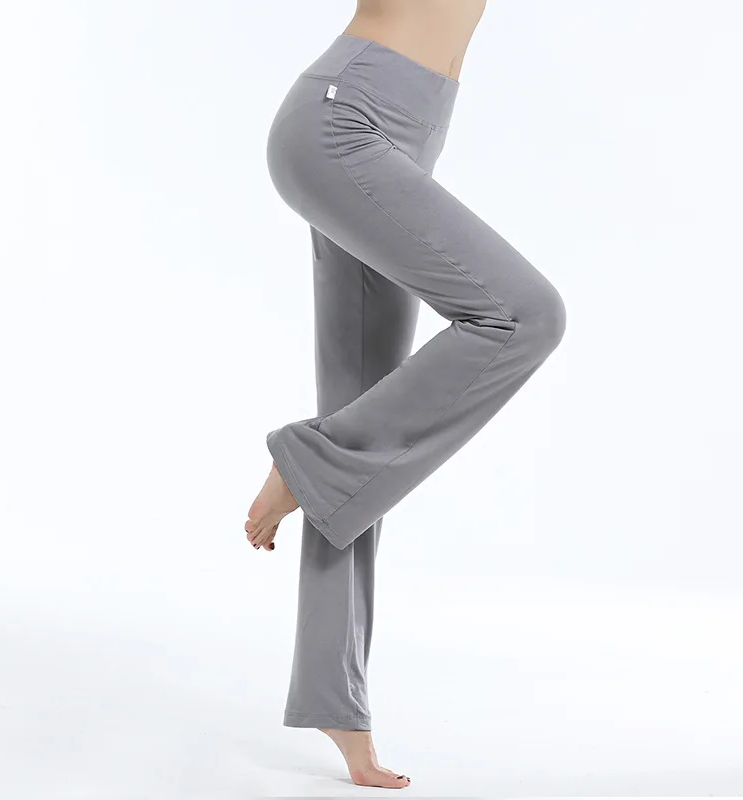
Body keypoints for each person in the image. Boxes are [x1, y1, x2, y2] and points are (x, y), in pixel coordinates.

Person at [244, 0, 566, 790]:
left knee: (365, 442)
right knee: (523, 315)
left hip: (409, 125)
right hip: (345, 119)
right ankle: (310, 459)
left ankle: (336, 701)